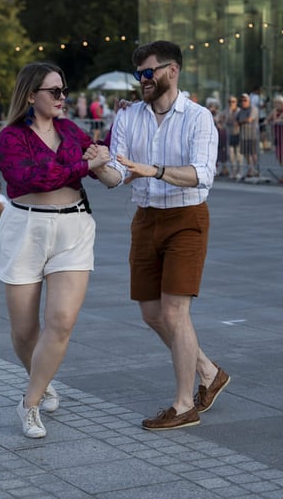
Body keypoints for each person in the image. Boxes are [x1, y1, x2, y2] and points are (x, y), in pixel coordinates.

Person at [91, 40, 229, 432]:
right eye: (139, 74)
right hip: (145, 219)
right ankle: (208, 371)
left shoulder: (199, 118)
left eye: (149, 72)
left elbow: (203, 173)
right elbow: (118, 175)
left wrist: (154, 169)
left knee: (173, 312)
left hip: (186, 218)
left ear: (172, 70)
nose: (142, 80)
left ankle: (185, 405)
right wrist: (100, 166)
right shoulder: (130, 116)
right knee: (151, 313)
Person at [0, 61, 109, 439]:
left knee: (61, 322)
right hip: (25, 229)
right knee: (25, 331)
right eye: (54, 92)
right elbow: (31, 179)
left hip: (73, 227)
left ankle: (29, 403)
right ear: (31, 95)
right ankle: (42, 380)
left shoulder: (71, 130)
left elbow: (97, 162)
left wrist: (100, 157)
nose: (63, 98)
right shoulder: (11, 138)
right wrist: (81, 163)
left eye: (64, 91)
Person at [265, 94, 283, 183]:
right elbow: (267, 120)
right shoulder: (274, 111)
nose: (276, 105)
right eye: (275, 103)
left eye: (278, 103)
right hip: (277, 135)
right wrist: (268, 121)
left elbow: (276, 120)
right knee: (279, 156)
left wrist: (274, 113)